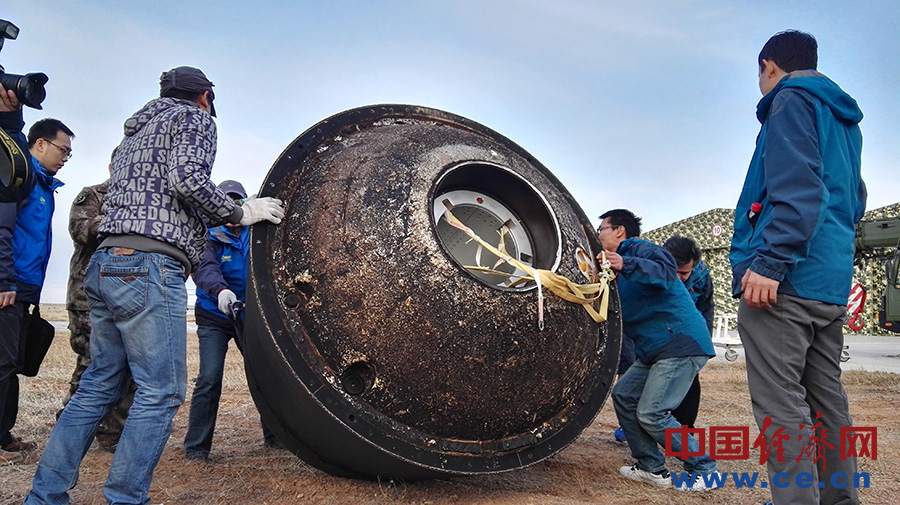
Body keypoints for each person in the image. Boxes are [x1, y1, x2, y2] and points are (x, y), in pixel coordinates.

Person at [25, 66, 285, 505]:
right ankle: (126, 497)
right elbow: (188, 182)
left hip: (107, 263)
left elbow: (161, 196)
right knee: (161, 390)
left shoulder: (132, 137)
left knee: (98, 384)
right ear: (205, 97)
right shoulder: (195, 119)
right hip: (149, 265)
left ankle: (45, 495)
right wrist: (241, 213)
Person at [730, 30, 865, 505]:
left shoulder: (790, 102)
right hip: (828, 280)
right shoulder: (844, 120)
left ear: (769, 65)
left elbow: (798, 189)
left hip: (784, 279)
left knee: (780, 403)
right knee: (827, 401)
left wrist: (770, 261)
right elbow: (853, 200)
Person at [597, 209, 719, 491]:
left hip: (678, 343)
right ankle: (651, 467)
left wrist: (624, 262)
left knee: (652, 413)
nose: (598, 234)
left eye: (601, 228)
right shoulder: (615, 269)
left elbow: (665, 272)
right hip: (655, 349)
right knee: (624, 394)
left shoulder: (641, 250)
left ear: (619, 231)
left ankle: (705, 468)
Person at [0, 82, 74, 465]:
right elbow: (2, 225)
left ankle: (4, 433)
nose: (65, 158)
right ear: (40, 144)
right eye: (63, 150)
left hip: (26, 285)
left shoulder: (44, 184)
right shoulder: (18, 174)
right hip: (9, 285)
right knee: (1, 360)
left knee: (11, 360)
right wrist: (4, 280)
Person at [184, 179, 281, 461]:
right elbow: (204, 268)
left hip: (248, 315)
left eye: (238, 204)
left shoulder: (256, 234)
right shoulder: (206, 235)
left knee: (264, 375)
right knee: (209, 378)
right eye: (226, 205)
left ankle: (275, 436)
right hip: (214, 315)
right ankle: (197, 448)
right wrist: (221, 291)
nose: (233, 212)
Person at [59, 148, 135, 452]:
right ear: (112, 165)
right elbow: (82, 229)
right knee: (92, 365)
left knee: (128, 365)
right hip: (87, 297)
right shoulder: (92, 195)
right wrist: (125, 221)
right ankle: (70, 429)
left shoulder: (140, 202)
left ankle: (112, 433)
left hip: (126, 295)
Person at [663, 235, 713, 429]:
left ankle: (684, 434)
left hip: (687, 342)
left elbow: (707, 309)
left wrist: (703, 345)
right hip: (659, 341)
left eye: (685, 273)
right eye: (676, 272)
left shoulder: (701, 277)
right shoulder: (650, 271)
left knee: (688, 388)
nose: (680, 278)